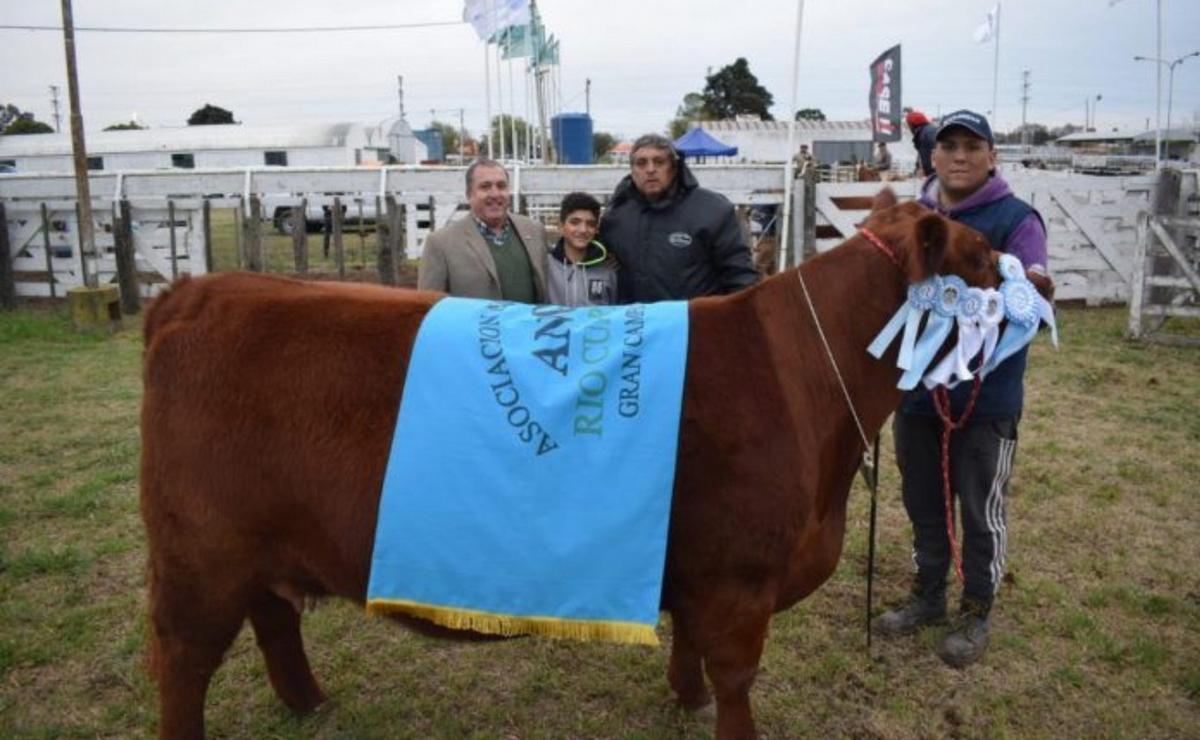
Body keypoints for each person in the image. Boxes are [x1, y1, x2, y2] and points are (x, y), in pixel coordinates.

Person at [873, 109, 1051, 669]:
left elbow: (1035, 302)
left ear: (992, 156)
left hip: (985, 396)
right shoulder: (913, 215)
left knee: (980, 507)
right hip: (918, 391)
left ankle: (977, 609)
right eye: (948, 145)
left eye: (973, 147)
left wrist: (1021, 282)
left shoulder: (1018, 219)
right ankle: (928, 593)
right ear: (933, 155)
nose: (959, 156)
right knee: (922, 500)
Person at [599, 133, 759, 303]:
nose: (650, 169)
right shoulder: (615, 216)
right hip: (635, 325)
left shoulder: (713, 210)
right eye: (641, 163)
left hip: (696, 324)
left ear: (674, 167)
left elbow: (740, 275)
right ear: (632, 171)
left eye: (659, 162)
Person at [417, 159, 549, 302]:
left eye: (501, 186)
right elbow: (427, 307)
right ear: (469, 194)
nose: (495, 194)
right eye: (485, 187)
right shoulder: (441, 244)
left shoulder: (534, 231)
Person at [547, 192, 618, 306]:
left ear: (596, 229)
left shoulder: (608, 268)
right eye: (575, 222)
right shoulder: (545, 266)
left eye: (590, 224)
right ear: (560, 226)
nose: (583, 230)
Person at [906, 109, 938, 178]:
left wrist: (931, 174)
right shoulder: (922, 134)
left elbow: (936, 153)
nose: (908, 128)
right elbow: (922, 156)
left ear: (912, 125)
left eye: (908, 125)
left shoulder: (927, 134)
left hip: (935, 176)